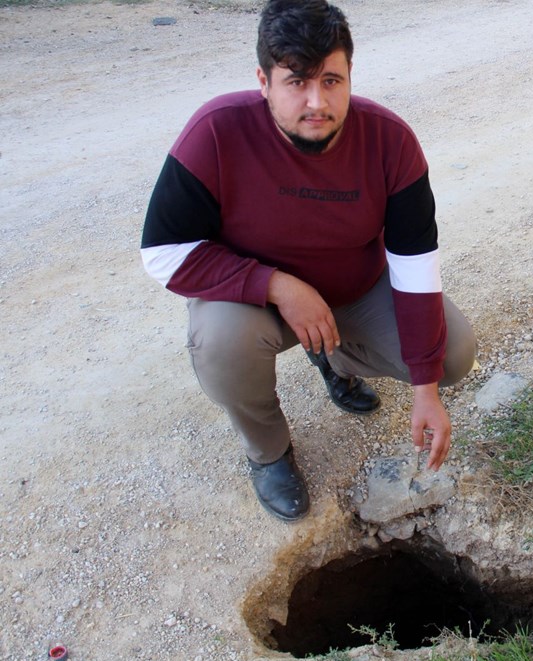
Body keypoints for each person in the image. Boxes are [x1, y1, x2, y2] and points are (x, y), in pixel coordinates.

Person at [140, 0, 477, 522]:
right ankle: (269, 453)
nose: (316, 101)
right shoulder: (216, 132)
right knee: (222, 344)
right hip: (260, 301)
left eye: (331, 80)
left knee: (452, 354)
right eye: (296, 81)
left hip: (357, 288)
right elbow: (164, 253)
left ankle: (334, 356)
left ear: (349, 76)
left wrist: (425, 385)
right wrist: (276, 285)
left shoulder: (391, 141)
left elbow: (414, 264)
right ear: (264, 81)